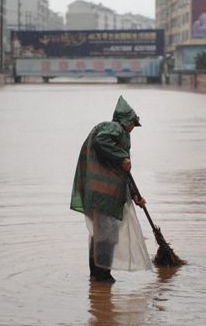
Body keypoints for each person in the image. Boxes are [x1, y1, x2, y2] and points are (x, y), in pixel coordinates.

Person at [70, 96, 152, 283]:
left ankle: (96, 276)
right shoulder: (115, 128)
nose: (133, 128)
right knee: (107, 236)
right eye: (133, 124)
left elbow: (123, 173)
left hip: (102, 193)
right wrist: (121, 156)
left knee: (100, 234)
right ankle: (102, 276)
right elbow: (101, 141)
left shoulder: (120, 138)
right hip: (104, 194)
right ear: (126, 121)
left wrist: (136, 196)